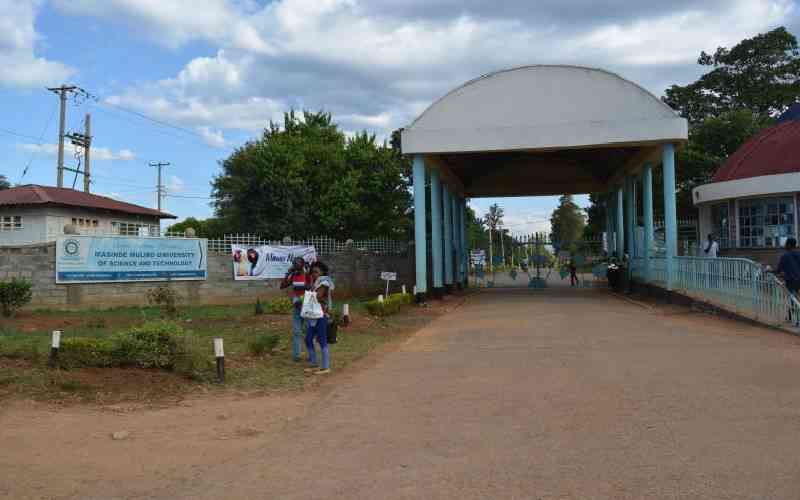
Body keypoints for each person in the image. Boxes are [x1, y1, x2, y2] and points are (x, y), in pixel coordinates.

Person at [305, 261, 335, 375]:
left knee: (322, 340)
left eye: (316, 272)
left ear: (322, 272)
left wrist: (310, 290)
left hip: (321, 315)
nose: (314, 274)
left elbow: (317, 296)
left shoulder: (325, 282)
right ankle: (314, 363)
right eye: (312, 272)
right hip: (313, 315)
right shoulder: (315, 283)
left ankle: (326, 367)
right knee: (308, 339)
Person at [280, 257, 309, 362]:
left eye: (297, 263)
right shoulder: (293, 276)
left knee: (308, 332)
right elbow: (282, 286)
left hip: (307, 307)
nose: (295, 265)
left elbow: (310, 287)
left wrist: (302, 289)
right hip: (297, 307)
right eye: (294, 263)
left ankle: (311, 354)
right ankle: (296, 356)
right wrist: (288, 273)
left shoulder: (307, 275)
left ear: (302, 264)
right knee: (296, 332)